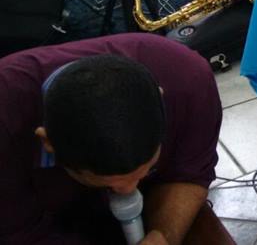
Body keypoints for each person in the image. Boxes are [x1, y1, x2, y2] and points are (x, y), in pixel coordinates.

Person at [0, 34, 227, 245]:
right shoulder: (7, 121)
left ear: (160, 100)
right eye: (106, 183)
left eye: (144, 171)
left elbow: (190, 173)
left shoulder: (187, 81)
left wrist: (163, 236)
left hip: (156, 189)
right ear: (48, 143)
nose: (128, 193)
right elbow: (19, 233)